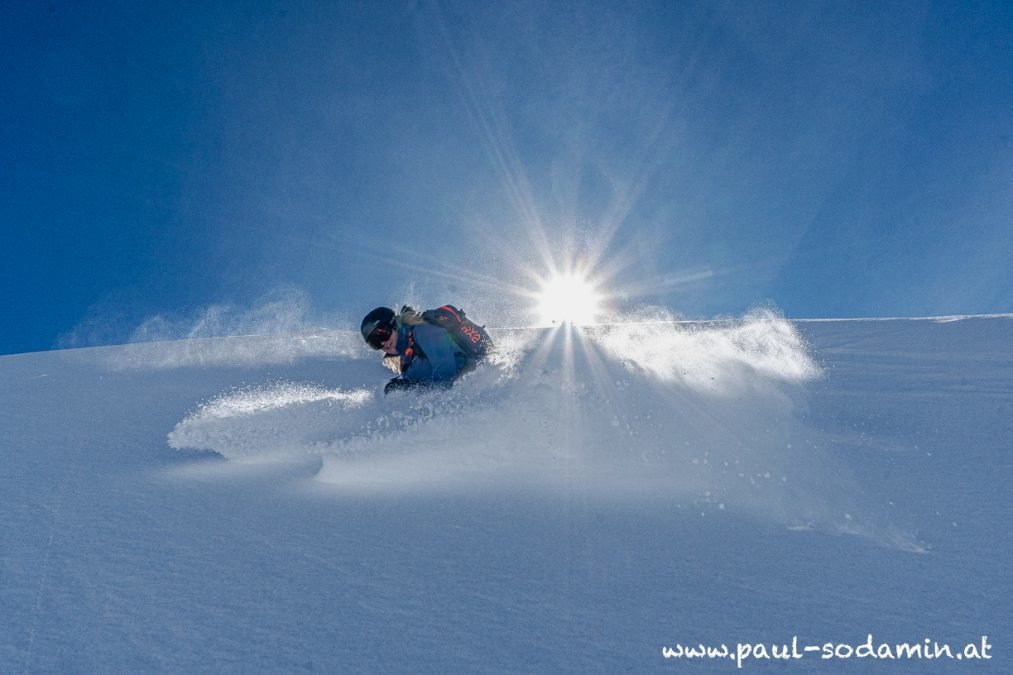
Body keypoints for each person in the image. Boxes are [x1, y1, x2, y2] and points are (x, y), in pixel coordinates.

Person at [360, 305, 491, 395]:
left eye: (382, 334)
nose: (383, 343)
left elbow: (445, 369)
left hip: (478, 382)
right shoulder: (407, 360)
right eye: (375, 342)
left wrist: (433, 403)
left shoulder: (423, 331)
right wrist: (405, 386)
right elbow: (427, 385)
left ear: (394, 325)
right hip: (459, 393)